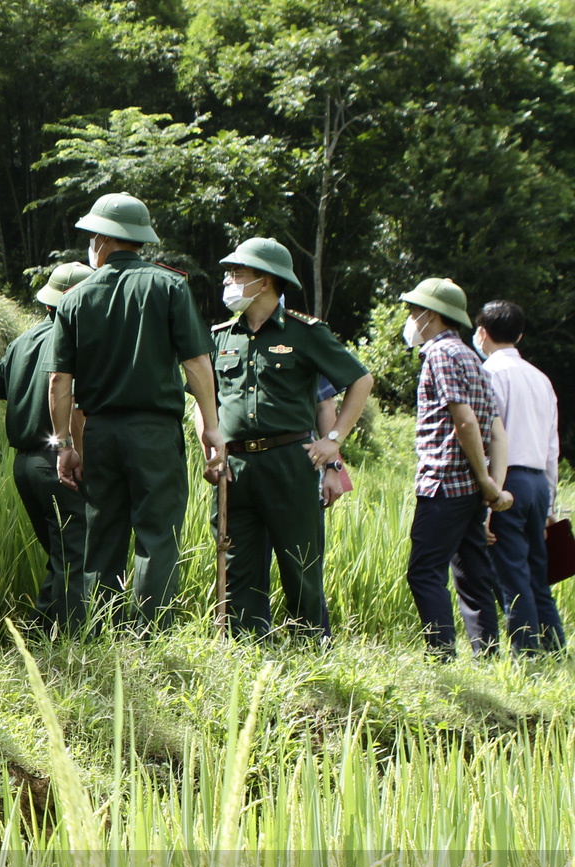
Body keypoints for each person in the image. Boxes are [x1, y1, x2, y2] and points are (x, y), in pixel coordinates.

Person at [48, 193, 224, 628]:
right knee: (156, 535)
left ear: (103, 241)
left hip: (100, 432)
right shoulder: (170, 285)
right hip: (156, 434)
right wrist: (212, 429)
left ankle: (101, 634)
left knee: (103, 535)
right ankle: (151, 638)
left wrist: (66, 445)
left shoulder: (74, 299)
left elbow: (59, 383)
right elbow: (198, 364)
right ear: (138, 239)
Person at [208, 237, 372, 638]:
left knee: (301, 564)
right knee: (239, 565)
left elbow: (360, 380)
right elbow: (203, 398)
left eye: (237, 274)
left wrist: (333, 441)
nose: (229, 281)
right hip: (236, 465)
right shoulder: (220, 336)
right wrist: (209, 448)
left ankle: (311, 649)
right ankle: (247, 649)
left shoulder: (306, 332)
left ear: (264, 282)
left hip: (289, 462)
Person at [399, 278, 513, 660]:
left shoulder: (441, 355)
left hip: (445, 481)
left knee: (424, 570)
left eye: (414, 311)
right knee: (473, 574)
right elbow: (496, 431)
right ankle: (489, 656)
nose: (411, 318)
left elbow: (463, 420)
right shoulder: (473, 359)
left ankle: (442, 657)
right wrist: (490, 486)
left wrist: (485, 479)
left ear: (431, 315)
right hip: (470, 490)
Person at [0, 262, 92, 630]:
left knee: (61, 556)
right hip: (60, 460)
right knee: (76, 556)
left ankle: (41, 634)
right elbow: (77, 401)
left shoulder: (22, 341)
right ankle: (71, 643)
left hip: (25, 467)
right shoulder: (79, 339)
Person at [473, 299, 564, 652]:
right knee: (538, 572)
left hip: (507, 482)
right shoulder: (541, 379)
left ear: (482, 332)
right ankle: (555, 647)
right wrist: (551, 503)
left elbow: (490, 438)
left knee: (511, 572)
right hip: (540, 482)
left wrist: (485, 505)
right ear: (520, 335)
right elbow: (552, 446)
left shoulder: (490, 374)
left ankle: (526, 653)